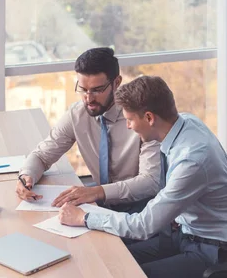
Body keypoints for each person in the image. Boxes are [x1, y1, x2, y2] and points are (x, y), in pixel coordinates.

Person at [58, 76, 227, 277]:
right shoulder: (186, 122)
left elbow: (144, 226)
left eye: (130, 119)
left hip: (218, 253)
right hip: (188, 234)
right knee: (113, 260)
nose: (128, 126)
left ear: (149, 118)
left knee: (125, 273)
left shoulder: (192, 160)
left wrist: (85, 218)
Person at [16, 48, 161, 213]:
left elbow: (150, 182)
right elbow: (42, 155)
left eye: (97, 90)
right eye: (83, 89)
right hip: (100, 205)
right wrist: (27, 176)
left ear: (117, 82)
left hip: (143, 209)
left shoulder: (141, 118)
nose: (89, 98)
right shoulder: (77, 114)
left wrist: (96, 192)